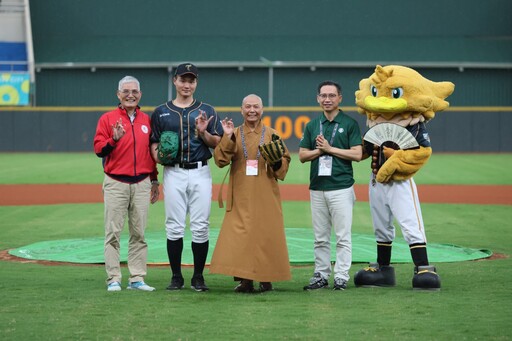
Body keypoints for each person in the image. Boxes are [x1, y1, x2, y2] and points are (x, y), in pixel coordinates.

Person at [150, 63, 223, 292]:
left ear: (196, 83)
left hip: (201, 171)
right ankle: (176, 277)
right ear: (175, 81)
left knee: (201, 226)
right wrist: (158, 156)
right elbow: (153, 142)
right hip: (174, 172)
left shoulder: (207, 110)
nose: (186, 85)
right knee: (174, 226)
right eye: (183, 80)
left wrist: (203, 132)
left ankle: (198, 277)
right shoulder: (161, 111)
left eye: (191, 81)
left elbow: (217, 143)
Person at [210, 94, 292, 293]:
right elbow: (220, 160)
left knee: (266, 233)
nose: (252, 110)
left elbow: (284, 165)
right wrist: (228, 137)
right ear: (241, 110)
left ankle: (266, 279)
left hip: (266, 190)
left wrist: (276, 161)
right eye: (248, 107)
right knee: (242, 237)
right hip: (241, 192)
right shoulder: (234, 133)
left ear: (262, 110)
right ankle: (245, 279)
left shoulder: (272, 134)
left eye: (256, 106)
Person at [93, 75, 160, 292]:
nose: (130, 95)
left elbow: (150, 154)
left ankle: (137, 278)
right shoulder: (107, 119)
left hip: (141, 182)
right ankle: (113, 278)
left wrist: (154, 180)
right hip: (116, 182)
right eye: (126, 91)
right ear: (118, 94)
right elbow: (98, 150)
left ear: (140, 94)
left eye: (134, 91)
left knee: (139, 233)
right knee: (113, 233)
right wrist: (114, 139)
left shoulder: (146, 120)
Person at [299, 80, 363, 291]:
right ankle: (321, 274)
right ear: (318, 98)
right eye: (323, 96)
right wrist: (320, 151)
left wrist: (329, 148)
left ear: (339, 98)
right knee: (320, 237)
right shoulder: (312, 125)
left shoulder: (349, 123)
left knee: (342, 236)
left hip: (341, 187)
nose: (327, 99)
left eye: (331, 95)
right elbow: (302, 155)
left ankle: (342, 276)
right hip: (317, 187)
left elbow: (357, 154)